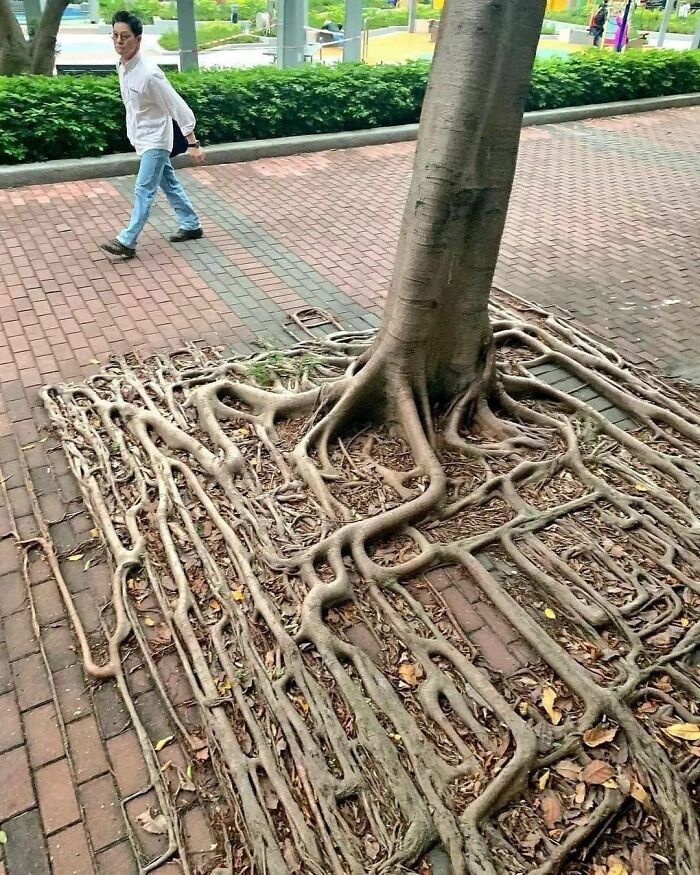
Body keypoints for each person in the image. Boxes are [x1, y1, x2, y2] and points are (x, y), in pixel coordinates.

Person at [100, 10, 205, 260]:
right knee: (168, 183)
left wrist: (194, 143)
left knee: (143, 189)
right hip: (141, 137)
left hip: (156, 140)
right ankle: (191, 225)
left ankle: (127, 240)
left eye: (125, 36)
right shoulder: (122, 65)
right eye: (115, 35)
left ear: (138, 39)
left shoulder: (150, 74)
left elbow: (179, 108)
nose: (119, 41)